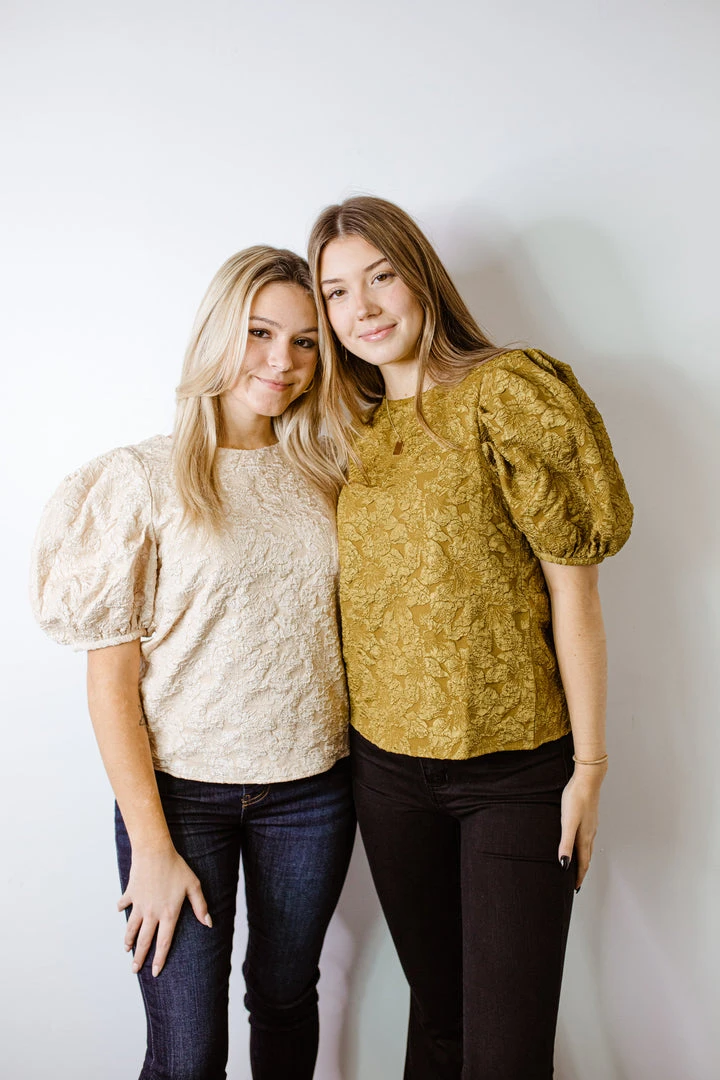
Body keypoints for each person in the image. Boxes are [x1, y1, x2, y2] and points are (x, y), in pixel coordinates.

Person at [308, 196, 633, 1079]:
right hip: (386, 777)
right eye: (337, 292)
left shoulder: (506, 392)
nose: (363, 308)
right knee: (441, 1022)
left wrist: (590, 768)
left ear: (422, 278)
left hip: (515, 773)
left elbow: (576, 593)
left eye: (381, 277)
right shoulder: (353, 431)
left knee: (505, 1053)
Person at [30, 246, 355, 1080]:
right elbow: (110, 681)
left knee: (285, 999)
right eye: (259, 333)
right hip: (179, 801)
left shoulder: (326, 471)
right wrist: (151, 845)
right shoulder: (140, 477)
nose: (282, 361)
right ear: (218, 331)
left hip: (312, 792)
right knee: (186, 1051)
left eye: (306, 341)